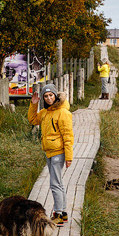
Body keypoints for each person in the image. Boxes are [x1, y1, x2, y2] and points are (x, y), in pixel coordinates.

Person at [28, 83, 73, 225]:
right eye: (45, 96)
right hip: (49, 151)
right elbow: (33, 120)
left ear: (55, 96)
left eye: (51, 95)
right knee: (58, 183)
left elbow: (68, 135)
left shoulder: (63, 112)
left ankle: (58, 214)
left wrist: (69, 156)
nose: (48, 98)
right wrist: (33, 105)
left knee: (54, 184)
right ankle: (63, 213)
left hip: (58, 153)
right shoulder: (45, 112)